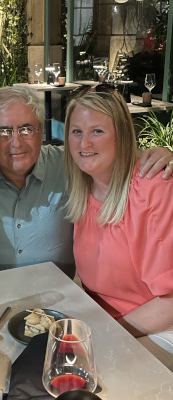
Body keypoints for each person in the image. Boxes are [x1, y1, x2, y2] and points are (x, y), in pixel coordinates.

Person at [0, 86, 173, 278]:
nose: (16, 142)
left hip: (59, 299)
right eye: (3, 131)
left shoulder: (72, 163)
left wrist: (164, 156)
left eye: (26, 129)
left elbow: (109, 157)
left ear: (41, 132)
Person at [64, 90, 173, 370]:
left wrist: (105, 333)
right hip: (99, 320)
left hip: (156, 329)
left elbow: (170, 304)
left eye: (97, 131)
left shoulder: (153, 187)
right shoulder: (84, 187)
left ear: (122, 135)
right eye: (76, 131)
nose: (84, 142)